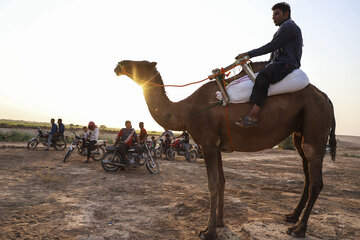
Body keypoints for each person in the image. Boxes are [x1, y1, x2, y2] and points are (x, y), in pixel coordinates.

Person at [234, 2, 303, 128]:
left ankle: (253, 116)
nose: (273, 17)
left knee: (263, 77)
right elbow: (274, 52)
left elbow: (272, 46)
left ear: (286, 14)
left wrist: (249, 54)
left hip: (287, 63)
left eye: (277, 14)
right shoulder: (282, 30)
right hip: (280, 62)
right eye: (273, 14)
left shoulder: (289, 27)